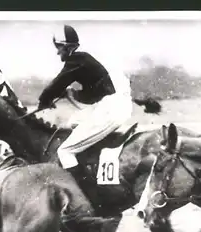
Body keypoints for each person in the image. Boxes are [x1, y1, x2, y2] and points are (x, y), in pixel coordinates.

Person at [37, 24, 134, 196]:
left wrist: (44, 101)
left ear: (68, 47)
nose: (58, 52)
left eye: (59, 48)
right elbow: (89, 96)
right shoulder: (83, 60)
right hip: (111, 105)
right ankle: (92, 160)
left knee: (64, 151)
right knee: (74, 121)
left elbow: (57, 83)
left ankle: (88, 195)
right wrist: (69, 93)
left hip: (111, 109)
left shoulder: (76, 60)